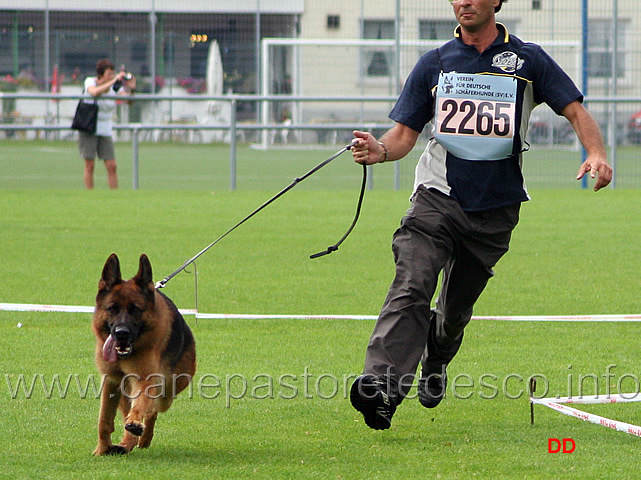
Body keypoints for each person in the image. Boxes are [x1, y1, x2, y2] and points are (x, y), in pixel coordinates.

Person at [349, 0, 612, 430]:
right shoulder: (434, 63)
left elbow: (575, 111)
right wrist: (379, 151)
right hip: (436, 197)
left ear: (496, 2)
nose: (463, 2)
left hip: (495, 210)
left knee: (453, 312)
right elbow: (401, 136)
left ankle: (436, 359)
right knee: (411, 282)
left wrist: (597, 153)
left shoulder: (529, 60)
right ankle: (382, 387)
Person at [79, 59, 136, 189]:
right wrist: (113, 80)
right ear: (101, 75)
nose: (112, 76)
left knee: (112, 165)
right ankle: (89, 195)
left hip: (105, 128)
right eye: (109, 74)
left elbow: (128, 101)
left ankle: (114, 195)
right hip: (89, 126)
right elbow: (94, 92)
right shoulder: (90, 81)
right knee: (90, 165)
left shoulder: (115, 87)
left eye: (113, 74)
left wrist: (131, 88)